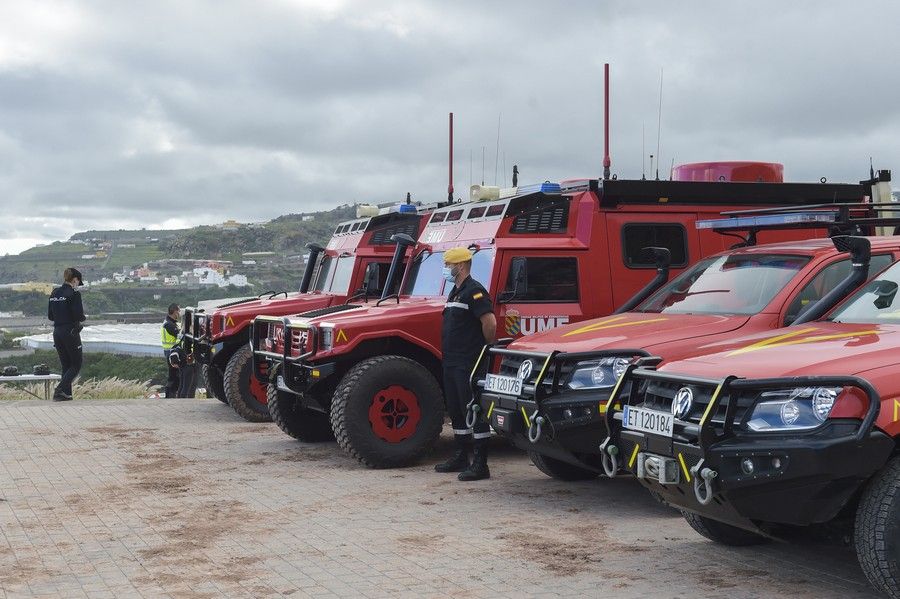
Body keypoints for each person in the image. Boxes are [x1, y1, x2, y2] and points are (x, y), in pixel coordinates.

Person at [434, 247, 497, 481]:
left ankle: (480, 464)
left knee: (474, 409)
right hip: (451, 361)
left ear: (460, 266)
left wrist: (484, 350)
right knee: (458, 410)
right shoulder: (455, 291)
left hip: (469, 362)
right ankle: (461, 455)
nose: (446, 269)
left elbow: (489, 323)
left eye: (448, 265)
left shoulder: (475, 291)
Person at [47, 267, 86, 401]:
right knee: (76, 363)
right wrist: (83, 318)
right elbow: (79, 315)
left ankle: (66, 394)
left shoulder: (54, 293)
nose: (77, 285)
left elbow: (50, 316)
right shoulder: (74, 294)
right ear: (75, 279)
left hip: (57, 332)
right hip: (70, 332)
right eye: (78, 282)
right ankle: (59, 389)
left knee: (66, 365)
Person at [161, 303, 181, 398]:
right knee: (173, 376)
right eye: (179, 311)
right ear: (175, 311)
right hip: (171, 353)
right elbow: (180, 336)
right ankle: (170, 396)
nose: (180, 313)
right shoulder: (169, 325)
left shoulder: (169, 322)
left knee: (174, 375)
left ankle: (172, 395)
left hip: (170, 352)